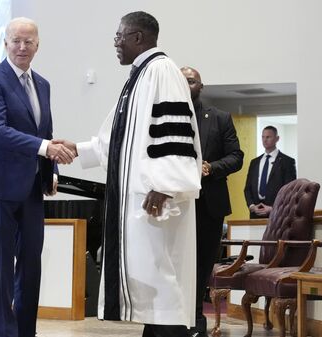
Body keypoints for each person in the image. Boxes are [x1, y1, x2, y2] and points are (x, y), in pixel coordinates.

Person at [56, 11, 201, 337]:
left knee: (162, 281)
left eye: (119, 36)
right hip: (145, 199)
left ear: (138, 38)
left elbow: (175, 135)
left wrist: (165, 186)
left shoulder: (162, 72)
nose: (115, 43)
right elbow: (119, 138)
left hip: (158, 201)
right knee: (153, 285)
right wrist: (79, 149)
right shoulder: (140, 76)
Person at [0, 17, 75, 337]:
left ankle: (25, 331)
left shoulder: (43, 84)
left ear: (37, 45)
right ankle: (6, 332)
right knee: (1, 267)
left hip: (31, 186)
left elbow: (46, 132)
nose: (21, 47)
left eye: (28, 41)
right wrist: (46, 149)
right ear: (5, 43)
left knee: (31, 264)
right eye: (16, 40)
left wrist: (51, 170)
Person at [181, 66, 244, 337]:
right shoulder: (162, 117)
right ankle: (174, 322)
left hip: (209, 205)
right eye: (181, 81)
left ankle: (196, 322)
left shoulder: (219, 118)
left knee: (202, 265)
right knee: (178, 266)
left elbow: (236, 157)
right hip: (177, 206)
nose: (186, 85)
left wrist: (211, 168)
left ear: (201, 87)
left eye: (191, 81)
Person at [244, 126, 296, 218]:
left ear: (277, 139)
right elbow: (248, 188)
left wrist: (273, 208)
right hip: (255, 214)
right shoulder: (254, 162)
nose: (265, 140)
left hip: (277, 214)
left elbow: (290, 191)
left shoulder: (287, 162)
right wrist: (252, 206)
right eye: (263, 137)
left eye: (268, 137)